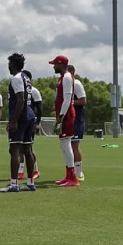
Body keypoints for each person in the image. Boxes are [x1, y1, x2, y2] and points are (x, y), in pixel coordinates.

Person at [0, 53, 36, 192]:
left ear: (12, 65)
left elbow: (20, 99)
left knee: (15, 149)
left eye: (9, 64)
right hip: (29, 114)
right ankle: (30, 182)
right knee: (27, 149)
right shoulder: (26, 77)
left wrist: (14, 120)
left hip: (21, 116)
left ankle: (14, 184)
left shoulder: (16, 78)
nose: (8, 66)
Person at [49, 55, 79, 187]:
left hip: (66, 115)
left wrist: (60, 118)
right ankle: (68, 175)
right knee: (63, 145)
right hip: (64, 114)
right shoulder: (62, 78)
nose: (54, 66)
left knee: (66, 145)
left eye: (55, 64)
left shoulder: (66, 77)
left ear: (61, 64)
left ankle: (72, 177)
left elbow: (67, 100)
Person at [17, 69, 42, 179]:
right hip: (20, 122)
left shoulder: (34, 91)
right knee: (19, 147)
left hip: (30, 122)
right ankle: (20, 170)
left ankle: (35, 170)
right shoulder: (18, 90)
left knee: (28, 147)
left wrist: (37, 122)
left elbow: (39, 108)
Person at [68, 64, 86, 181]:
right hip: (67, 120)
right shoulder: (63, 85)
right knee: (67, 146)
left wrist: (70, 102)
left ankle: (79, 172)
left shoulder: (77, 84)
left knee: (74, 145)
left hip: (77, 119)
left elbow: (83, 100)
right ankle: (70, 172)